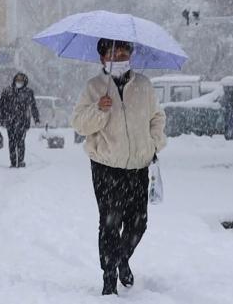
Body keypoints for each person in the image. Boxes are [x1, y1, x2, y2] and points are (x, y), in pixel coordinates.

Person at [71, 38, 167, 296]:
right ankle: (109, 276)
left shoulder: (143, 86)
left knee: (139, 223)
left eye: (124, 51)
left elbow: (157, 117)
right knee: (110, 223)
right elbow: (80, 124)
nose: (120, 55)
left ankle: (122, 258)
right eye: (114, 51)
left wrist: (154, 144)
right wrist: (99, 109)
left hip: (139, 165)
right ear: (103, 58)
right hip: (106, 166)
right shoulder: (94, 88)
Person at [0, 72, 40, 168]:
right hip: (10, 121)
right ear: (14, 80)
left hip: (23, 122)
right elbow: (1, 106)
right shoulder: (7, 91)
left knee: (20, 142)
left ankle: (20, 161)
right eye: (17, 80)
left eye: (21, 80)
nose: (19, 82)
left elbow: (33, 106)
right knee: (11, 141)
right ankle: (13, 161)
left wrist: (36, 118)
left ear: (24, 81)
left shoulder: (28, 92)